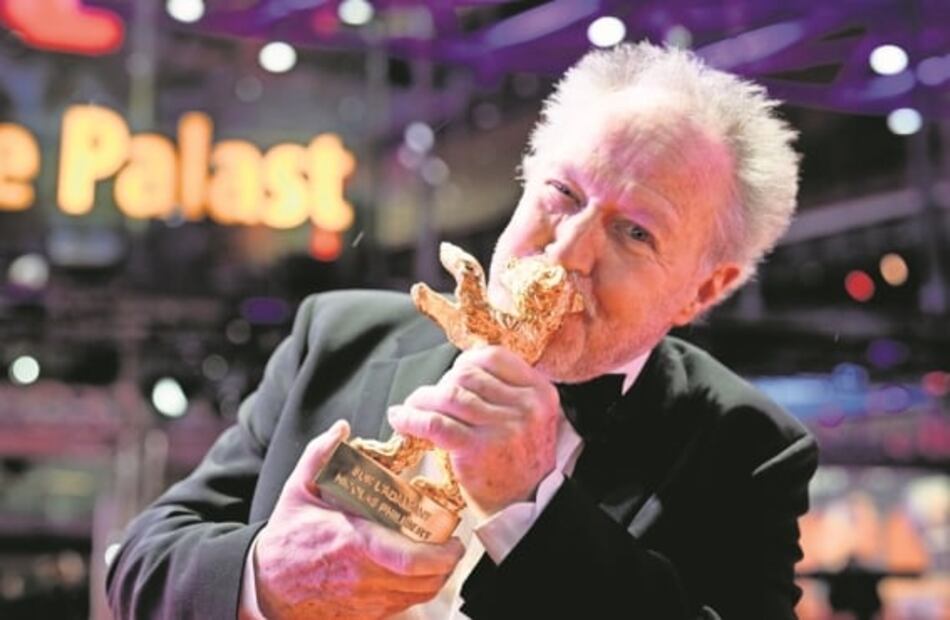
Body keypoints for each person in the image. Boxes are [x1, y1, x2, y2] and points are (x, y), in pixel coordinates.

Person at [106, 41, 817, 619]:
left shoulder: (748, 447)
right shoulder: (339, 338)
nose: (567, 252)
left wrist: (531, 505)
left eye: (635, 231)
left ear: (705, 289)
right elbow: (142, 563)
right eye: (562, 193)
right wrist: (266, 577)